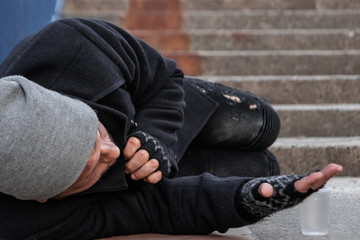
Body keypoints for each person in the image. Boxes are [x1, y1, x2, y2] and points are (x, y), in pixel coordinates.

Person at [0, 18, 342, 240]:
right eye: (91, 165)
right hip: (135, 186)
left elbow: (163, 79)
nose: (114, 151)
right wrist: (246, 199)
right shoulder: (25, 221)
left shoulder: (72, 44)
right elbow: (149, 210)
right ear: (49, 197)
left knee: (263, 123)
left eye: (96, 133)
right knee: (264, 170)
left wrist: (156, 137)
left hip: (152, 105)